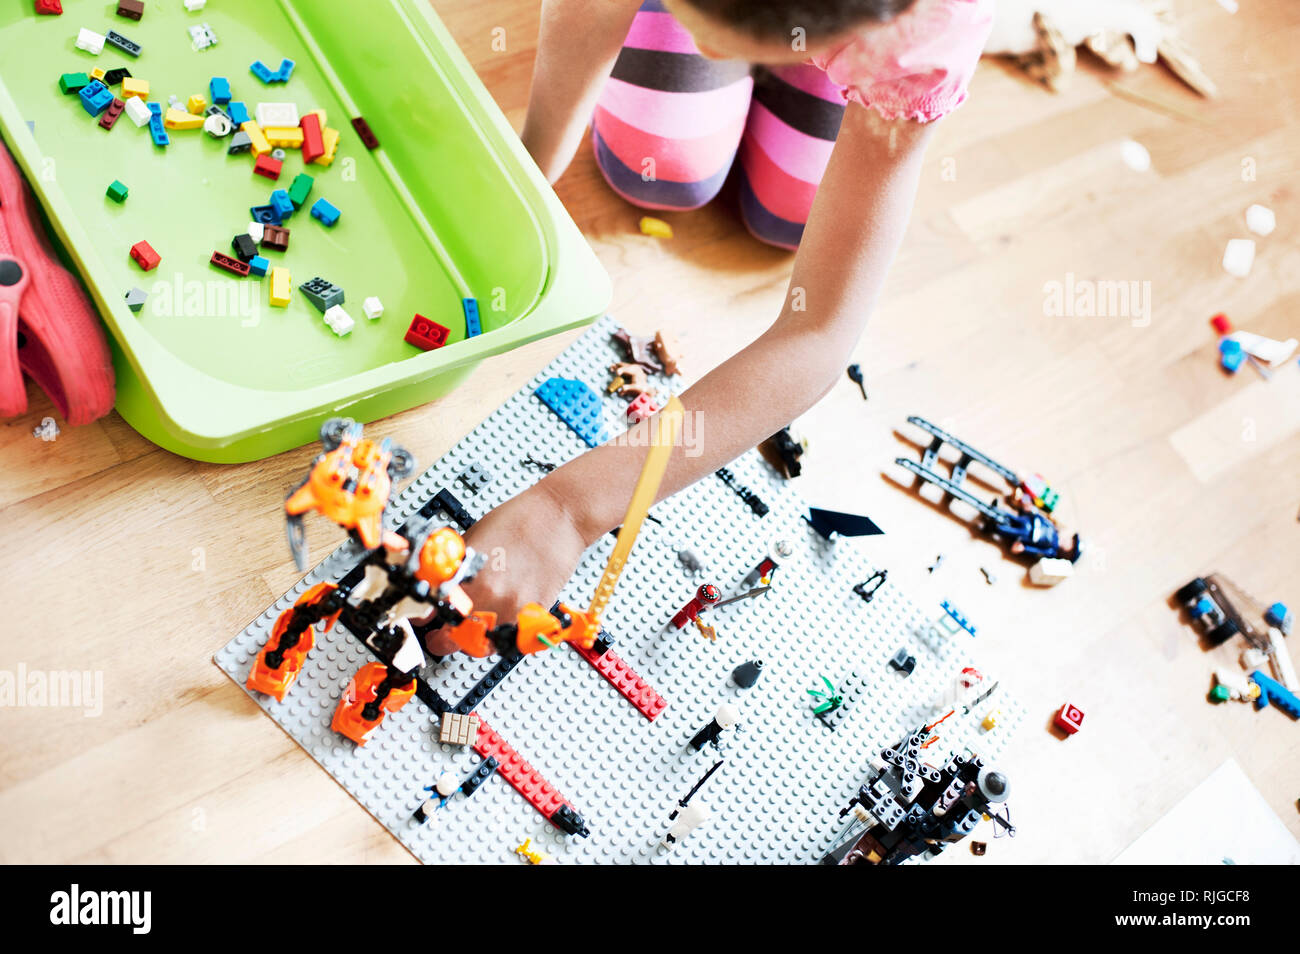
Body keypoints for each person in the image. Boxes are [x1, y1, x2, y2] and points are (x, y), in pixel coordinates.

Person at [426, 0, 994, 651]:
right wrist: (532, 174)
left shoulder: (926, 35)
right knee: (667, 167)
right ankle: (732, 36)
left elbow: (819, 332)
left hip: (868, 42)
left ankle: (806, 56)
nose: (715, 51)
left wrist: (568, 509)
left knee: (785, 213)